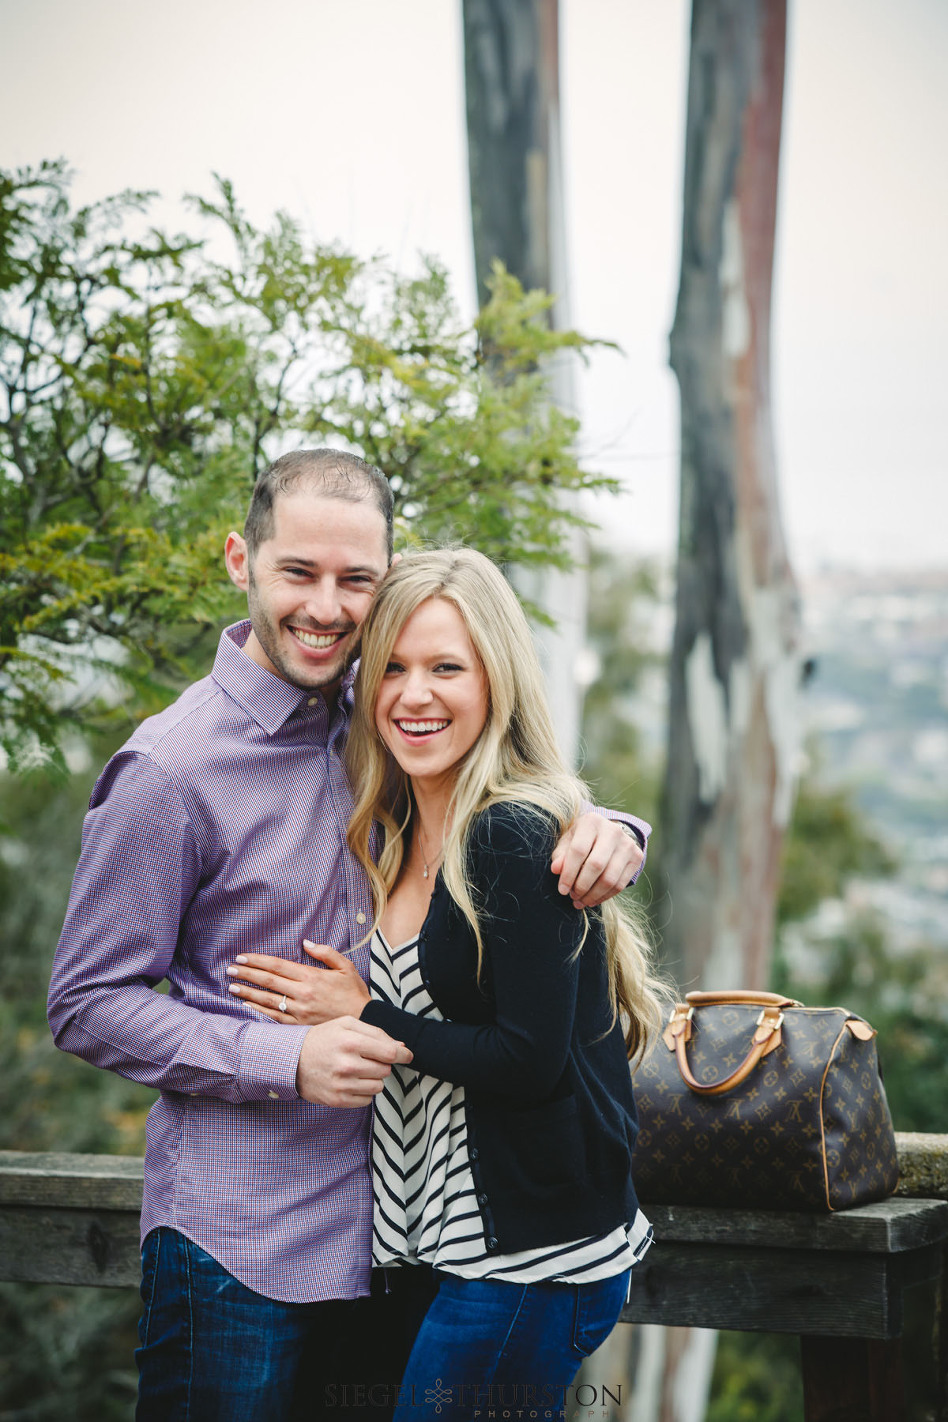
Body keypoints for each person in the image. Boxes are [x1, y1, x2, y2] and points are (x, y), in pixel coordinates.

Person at [46, 450, 650, 1422]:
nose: (326, 607)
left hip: (386, 1244)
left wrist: (609, 831)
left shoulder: (370, 720)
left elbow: (489, 780)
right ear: (241, 560)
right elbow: (83, 1003)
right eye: (299, 573)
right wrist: (284, 1056)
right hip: (236, 1247)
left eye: (354, 580)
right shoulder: (169, 771)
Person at [228, 547, 665, 1419]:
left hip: (527, 1263)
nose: (413, 694)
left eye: (445, 668)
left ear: (495, 681)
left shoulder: (509, 836)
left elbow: (530, 1061)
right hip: (427, 1250)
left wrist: (368, 1015)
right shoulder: (387, 829)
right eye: (391, 667)